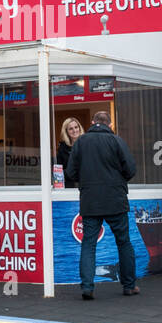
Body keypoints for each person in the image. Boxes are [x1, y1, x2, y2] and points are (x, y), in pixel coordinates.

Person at [66, 110, 139, 299]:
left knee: (88, 244)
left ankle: (87, 287)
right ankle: (129, 285)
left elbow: (71, 172)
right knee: (123, 242)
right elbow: (131, 169)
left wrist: (87, 181)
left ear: (92, 122)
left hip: (90, 201)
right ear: (110, 124)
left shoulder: (81, 142)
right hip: (115, 199)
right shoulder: (117, 141)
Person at [56, 117, 84, 188]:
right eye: (71, 129)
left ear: (79, 128)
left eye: (76, 127)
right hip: (69, 186)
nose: (74, 130)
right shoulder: (62, 148)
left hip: (85, 184)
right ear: (66, 132)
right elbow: (59, 170)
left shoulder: (87, 144)